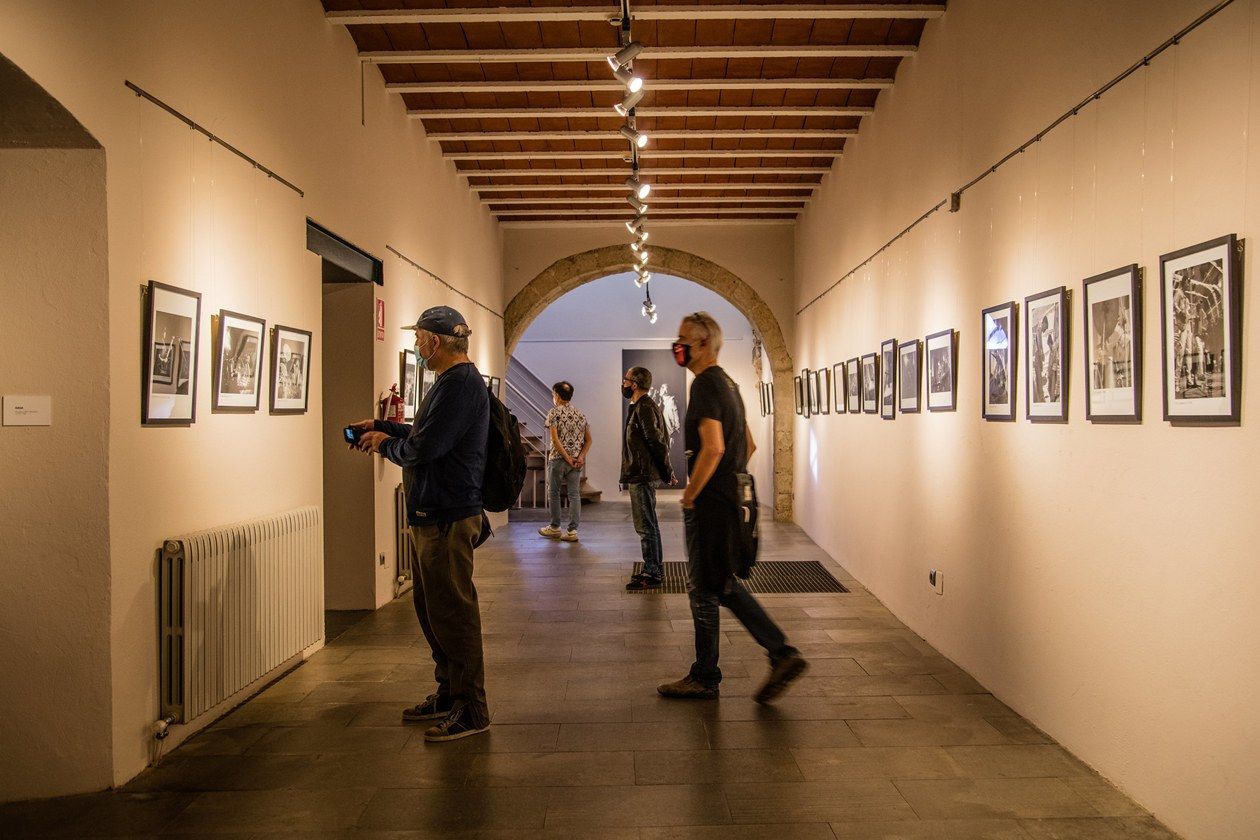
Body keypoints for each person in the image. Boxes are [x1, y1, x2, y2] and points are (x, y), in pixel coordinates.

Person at [349, 305, 491, 743]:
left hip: (447, 515)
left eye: (418, 338)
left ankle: (472, 709)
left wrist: (384, 444)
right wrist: (383, 426)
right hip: (434, 512)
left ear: (434, 341)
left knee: (453, 613)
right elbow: (426, 433)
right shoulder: (451, 382)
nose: (415, 344)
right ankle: (449, 693)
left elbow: (424, 448)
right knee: (434, 610)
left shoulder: (460, 384)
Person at [657, 312, 808, 704]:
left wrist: (692, 493)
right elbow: (749, 445)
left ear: (704, 343)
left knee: (706, 589)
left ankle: (711, 675)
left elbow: (715, 447)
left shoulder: (706, 384)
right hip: (733, 499)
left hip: (712, 505)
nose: (678, 346)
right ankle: (775, 653)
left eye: (684, 339)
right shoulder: (729, 384)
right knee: (717, 585)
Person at [620, 366, 677, 590]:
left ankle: (653, 573)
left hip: (642, 475)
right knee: (648, 524)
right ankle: (653, 568)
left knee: (646, 526)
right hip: (640, 473)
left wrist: (667, 471)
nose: (623, 383)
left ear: (634, 384)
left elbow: (657, 442)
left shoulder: (644, 407)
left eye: (625, 380)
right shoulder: (641, 406)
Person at [538, 381, 590, 542]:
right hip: (576, 462)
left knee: (553, 492)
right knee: (574, 495)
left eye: (553, 394)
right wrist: (580, 457)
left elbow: (555, 440)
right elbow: (589, 440)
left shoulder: (553, 413)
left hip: (558, 459)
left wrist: (567, 458)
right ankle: (572, 531)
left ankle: (555, 527)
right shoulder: (580, 414)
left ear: (557, 395)